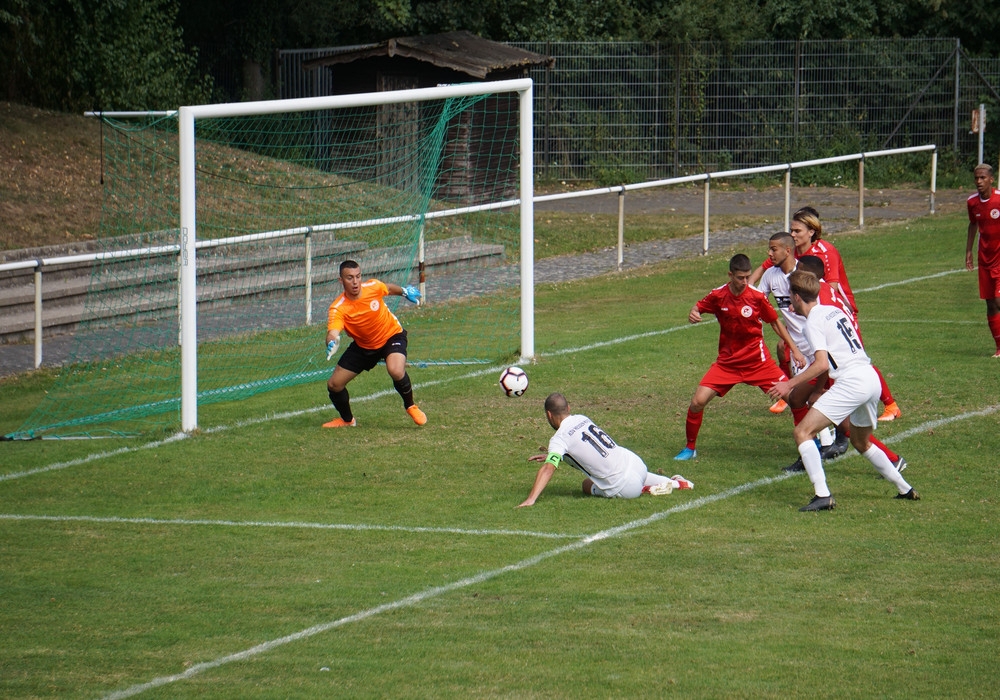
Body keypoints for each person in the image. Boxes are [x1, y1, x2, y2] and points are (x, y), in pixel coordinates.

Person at [768, 270, 919, 511]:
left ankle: (822, 495)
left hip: (851, 382)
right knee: (861, 442)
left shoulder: (813, 322)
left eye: (789, 297)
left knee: (802, 433)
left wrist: (789, 384)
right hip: (870, 378)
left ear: (797, 297)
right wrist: (818, 388)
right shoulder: (834, 311)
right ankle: (905, 488)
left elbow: (821, 364)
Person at [751, 207, 902, 422]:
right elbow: (764, 267)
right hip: (806, 315)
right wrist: (747, 286)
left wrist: (808, 307)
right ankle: (793, 394)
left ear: (811, 231)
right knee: (784, 348)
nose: (793, 235)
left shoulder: (825, 251)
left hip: (837, 311)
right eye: (791, 231)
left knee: (851, 357)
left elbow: (829, 288)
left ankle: (890, 404)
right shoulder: (790, 253)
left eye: (797, 231)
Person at [674, 253, 804, 461]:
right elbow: (698, 306)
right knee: (697, 402)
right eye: (740, 278)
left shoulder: (756, 297)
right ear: (730, 275)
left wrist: (795, 350)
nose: (745, 282)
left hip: (757, 362)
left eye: (748, 277)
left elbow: (775, 323)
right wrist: (693, 313)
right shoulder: (718, 295)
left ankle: (812, 442)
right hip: (727, 364)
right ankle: (690, 448)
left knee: (795, 399)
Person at [519, 393, 691, 507]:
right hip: (635, 462)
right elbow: (587, 447)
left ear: (549, 415)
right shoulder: (582, 418)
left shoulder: (559, 438)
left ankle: (645, 489)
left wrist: (531, 499)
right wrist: (554, 455)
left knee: (586, 485)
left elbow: (549, 468)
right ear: (569, 408)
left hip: (625, 487)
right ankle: (677, 483)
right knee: (633, 473)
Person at [756, 234, 840, 468]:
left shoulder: (803, 277)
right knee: (802, 400)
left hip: (818, 345)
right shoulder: (771, 276)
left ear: (788, 251)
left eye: (773, 249)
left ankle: (837, 438)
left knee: (820, 396)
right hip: (797, 349)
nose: (769, 254)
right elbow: (756, 298)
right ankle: (820, 445)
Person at [323, 260, 427, 428]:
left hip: (391, 336)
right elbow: (333, 332)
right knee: (334, 385)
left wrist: (405, 291)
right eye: (349, 278)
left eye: (358, 276)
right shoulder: (338, 308)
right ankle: (348, 420)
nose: (355, 282)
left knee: (395, 370)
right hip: (364, 346)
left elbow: (388, 288)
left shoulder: (372, 287)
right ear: (341, 281)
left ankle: (411, 406)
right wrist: (332, 342)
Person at [965, 163, 1000, 357]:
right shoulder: (972, 202)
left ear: (991, 179)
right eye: (976, 178)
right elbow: (973, 224)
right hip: (984, 258)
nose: (978, 181)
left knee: (998, 299)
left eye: (983, 178)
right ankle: (999, 347)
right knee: (991, 304)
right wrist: (969, 250)